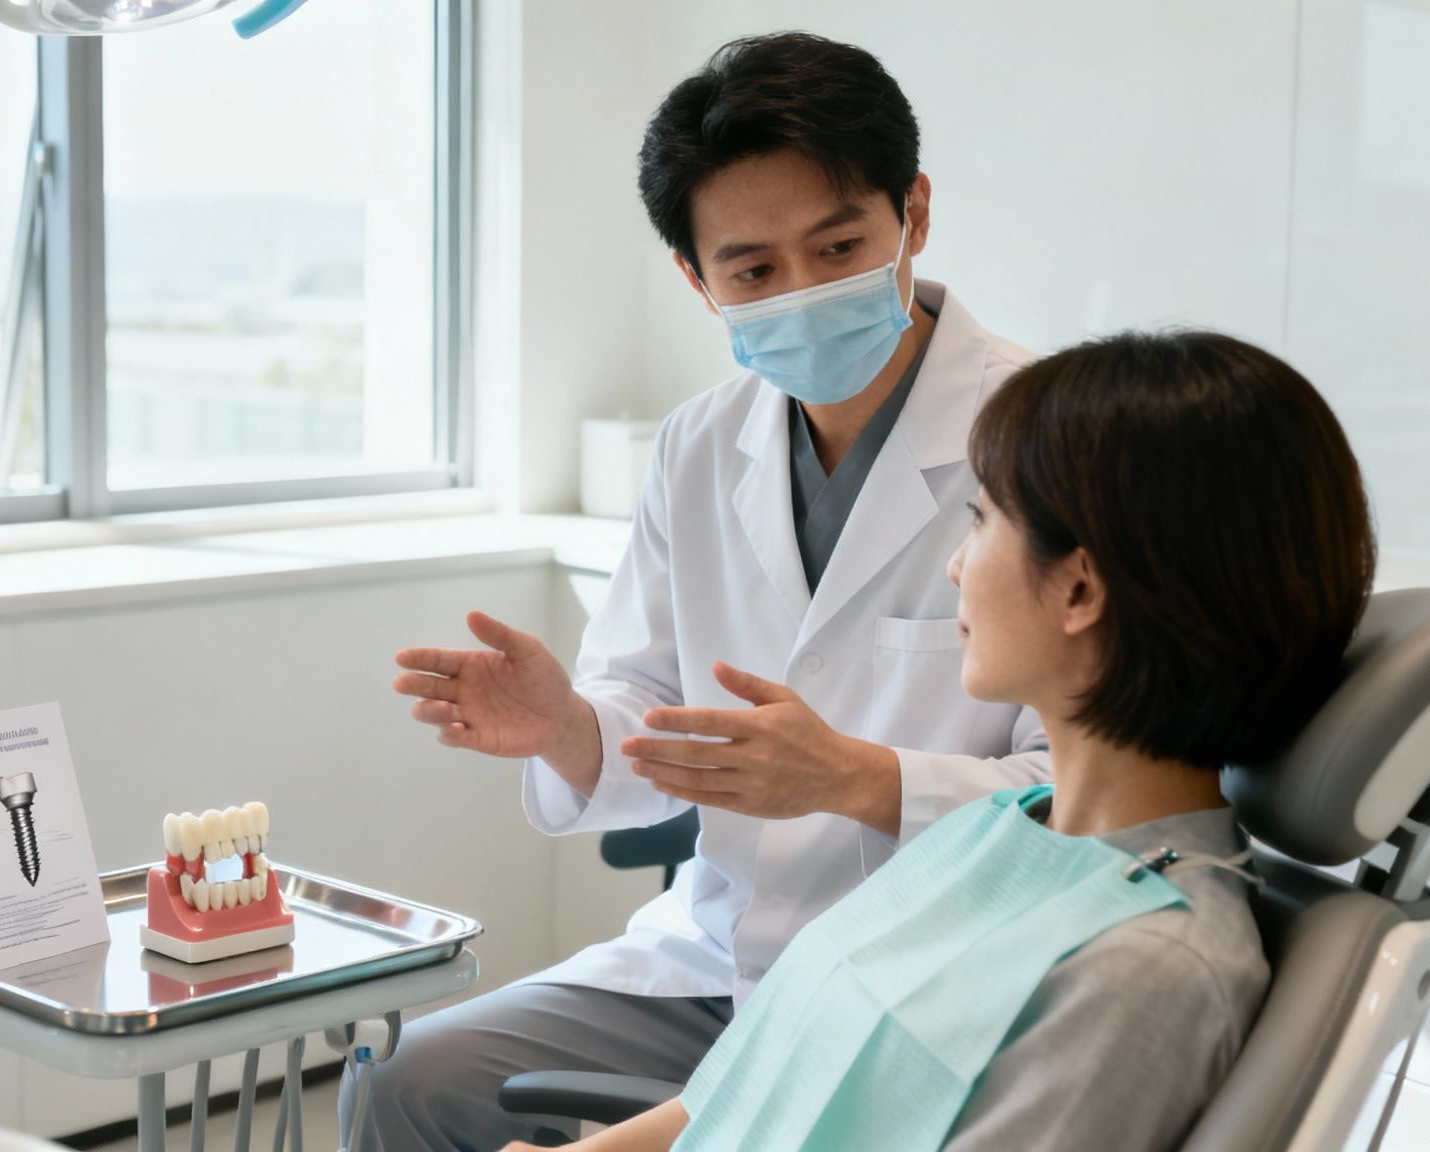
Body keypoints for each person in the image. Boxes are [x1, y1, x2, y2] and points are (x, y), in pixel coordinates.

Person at [364, 32, 1051, 1151]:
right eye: (751, 271)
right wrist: (573, 729)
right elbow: (646, 709)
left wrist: (863, 779)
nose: (802, 291)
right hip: (716, 956)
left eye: (838, 246)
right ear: (695, 279)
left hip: (934, 978)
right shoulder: (698, 444)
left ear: (911, 216)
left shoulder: (1047, 440)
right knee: (409, 1082)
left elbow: (1091, 801)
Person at [502, 328, 1378, 1152]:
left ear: (1078, 592)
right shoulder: (998, 833)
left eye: (982, 518)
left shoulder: (1148, 970)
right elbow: (742, 1093)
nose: (958, 564)